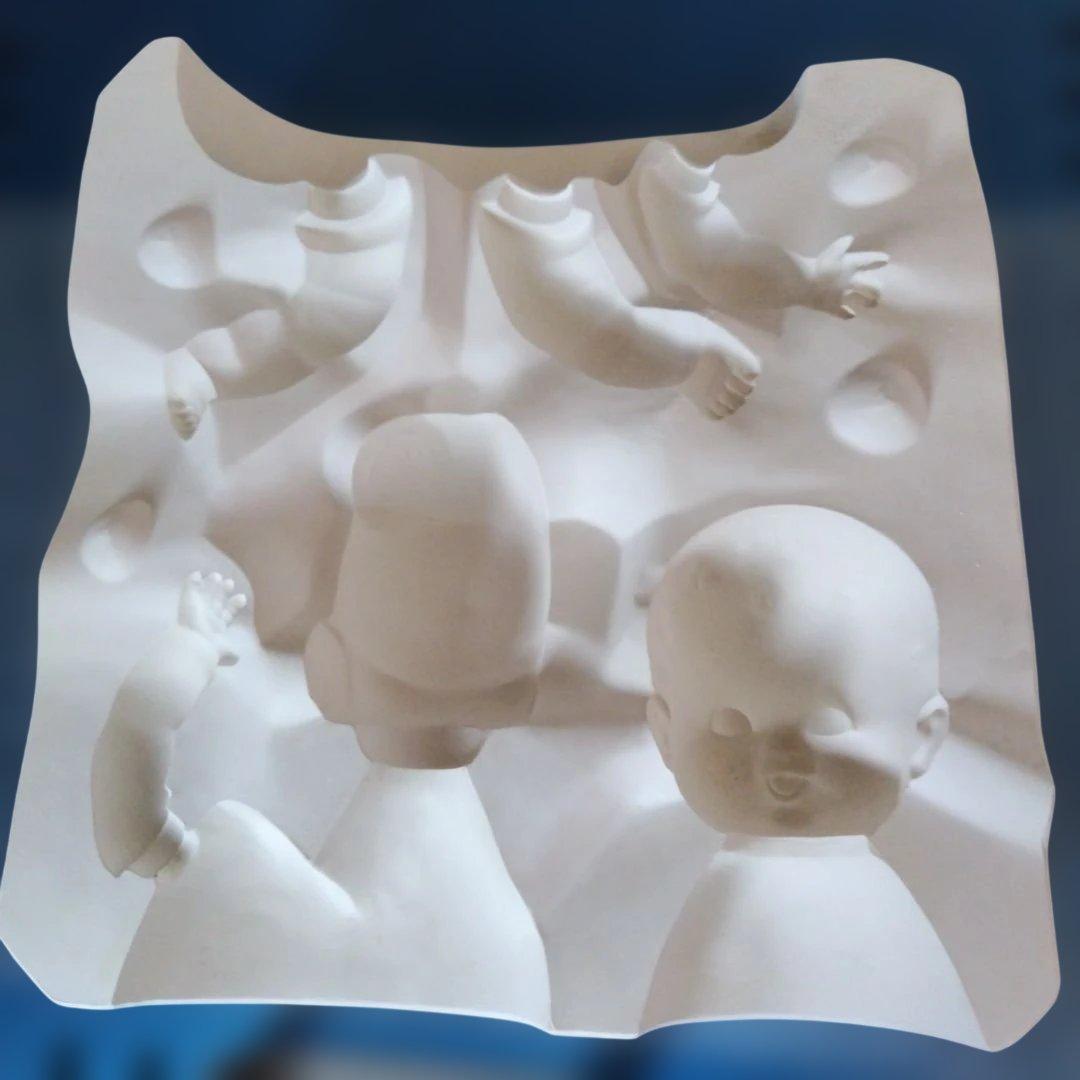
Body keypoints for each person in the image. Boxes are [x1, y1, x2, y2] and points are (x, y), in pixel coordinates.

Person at [641, 504, 982, 1044]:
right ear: (665, 734)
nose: (781, 763)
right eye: (731, 724)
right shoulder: (727, 907)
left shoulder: (881, 922)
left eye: (828, 724)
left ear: (924, 737)